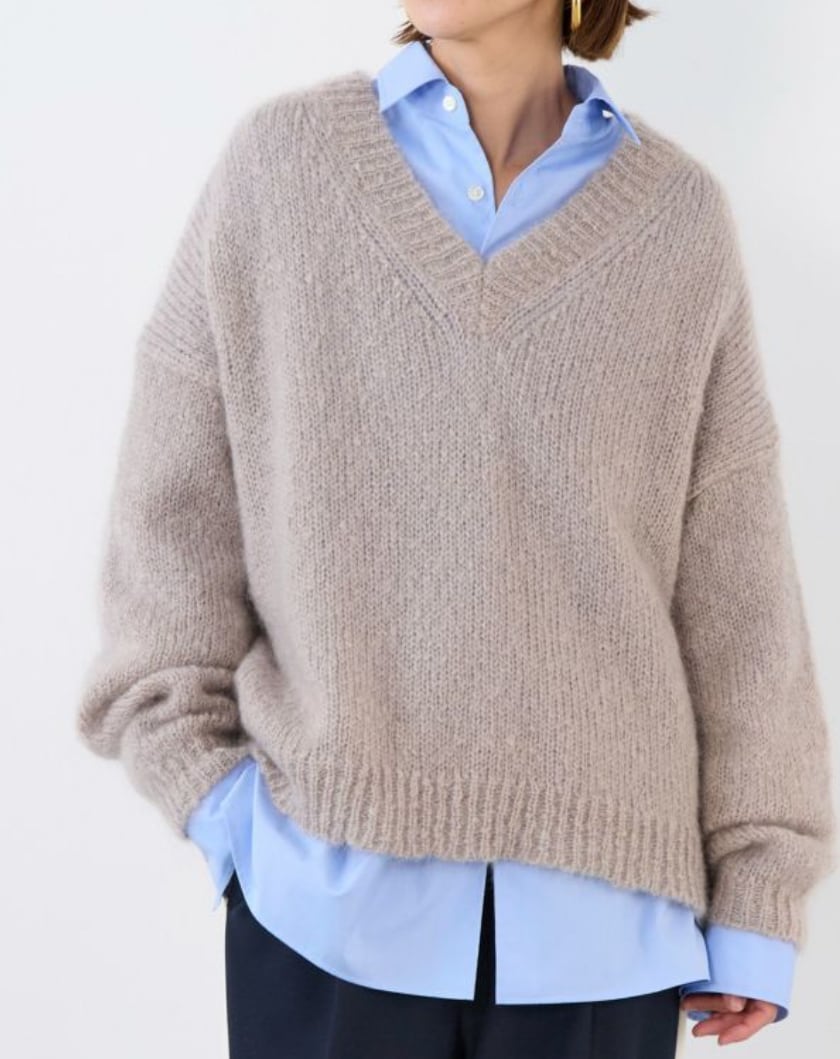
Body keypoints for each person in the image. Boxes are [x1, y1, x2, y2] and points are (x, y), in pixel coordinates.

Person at [75, 2, 837, 1057]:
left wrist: (758, 887)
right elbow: (171, 519)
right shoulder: (282, 169)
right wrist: (221, 807)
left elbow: (738, 589)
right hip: (326, 905)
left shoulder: (677, 219)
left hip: (606, 930)